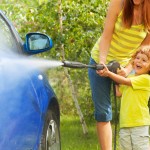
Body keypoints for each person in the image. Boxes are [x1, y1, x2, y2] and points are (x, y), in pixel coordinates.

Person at [88, 0, 150, 149]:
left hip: (127, 64)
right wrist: (102, 62)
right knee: (103, 112)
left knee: (130, 104)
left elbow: (143, 49)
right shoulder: (118, 3)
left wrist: (128, 69)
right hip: (100, 59)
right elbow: (106, 35)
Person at [98, 46, 150, 150]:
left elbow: (125, 82)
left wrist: (109, 73)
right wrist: (116, 77)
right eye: (137, 58)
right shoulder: (130, 78)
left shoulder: (146, 79)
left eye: (144, 60)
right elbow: (118, 93)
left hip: (139, 124)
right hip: (125, 123)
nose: (139, 61)